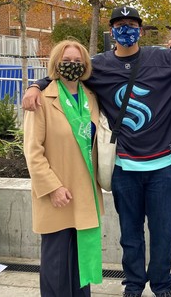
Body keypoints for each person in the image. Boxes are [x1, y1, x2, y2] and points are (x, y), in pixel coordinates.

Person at [22, 6, 171, 297]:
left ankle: (162, 287)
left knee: (163, 235)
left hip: (164, 168)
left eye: (132, 24)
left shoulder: (163, 57)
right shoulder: (98, 66)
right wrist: (36, 84)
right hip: (125, 167)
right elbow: (66, 73)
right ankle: (133, 285)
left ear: (141, 29)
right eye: (119, 24)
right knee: (131, 237)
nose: (126, 29)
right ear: (112, 31)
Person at [24, 40, 103, 297]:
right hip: (57, 194)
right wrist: (53, 187)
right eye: (67, 60)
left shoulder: (91, 97)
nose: (73, 65)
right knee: (57, 269)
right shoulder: (41, 100)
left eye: (78, 61)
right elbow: (33, 151)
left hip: (84, 194)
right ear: (57, 63)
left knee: (82, 268)